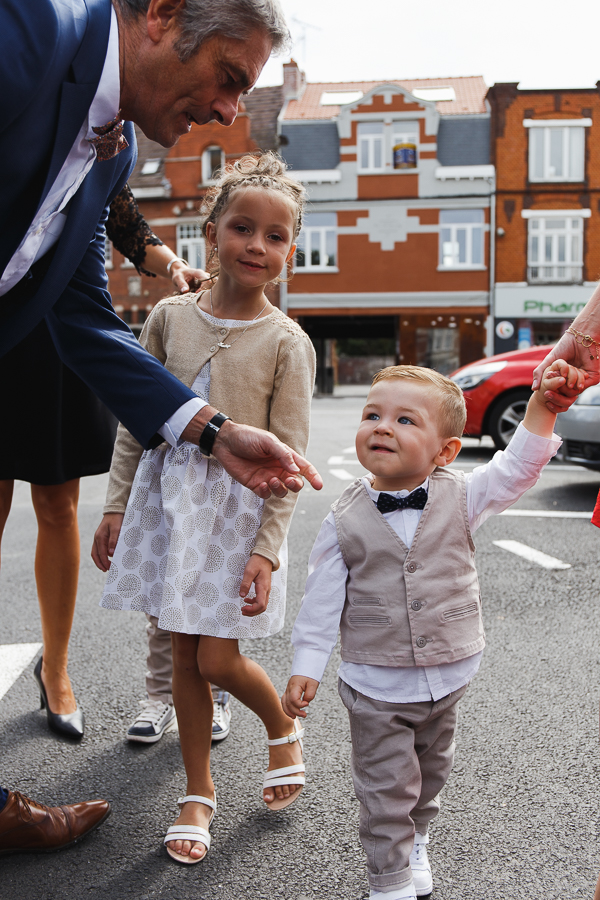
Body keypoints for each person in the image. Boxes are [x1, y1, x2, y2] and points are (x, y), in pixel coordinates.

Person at [0, 0, 323, 847]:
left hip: (218, 515)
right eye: (227, 77)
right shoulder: (29, 31)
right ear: (161, 16)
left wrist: (214, 433)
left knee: (202, 654)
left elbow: (79, 314)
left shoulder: (113, 157)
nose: (229, 110)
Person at [282, 362, 582, 900]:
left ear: (444, 451)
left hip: (448, 674)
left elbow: (517, 467)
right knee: (385, 788)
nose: (382, 427)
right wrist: (307, 663)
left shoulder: (463, 495)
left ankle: (417, 835)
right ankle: (389, 879)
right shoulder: (342, 516)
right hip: (375, 680)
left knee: (429, 773)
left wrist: (544, 405)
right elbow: (321, 597)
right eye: (372, 414)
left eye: (404, 420)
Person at [93, 153, 315, 864]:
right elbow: (135, 421)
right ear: (211, 232)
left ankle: (282, 725)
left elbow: (289, 460)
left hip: (234, 517)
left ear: (289, 249)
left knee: (216, 659)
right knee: (182, 655)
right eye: (242, 228)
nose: (257, 245)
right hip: (168, 508)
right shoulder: (166, 315)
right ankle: (199, 791)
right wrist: (117, 505)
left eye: (275, 236)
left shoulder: (288, 342)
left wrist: (267, 550)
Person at [0, 185, 209, 742]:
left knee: (57, 505)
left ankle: (56, 669)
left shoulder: (99, 134)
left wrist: (173, 266)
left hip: (58, 326)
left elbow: (121, 218)